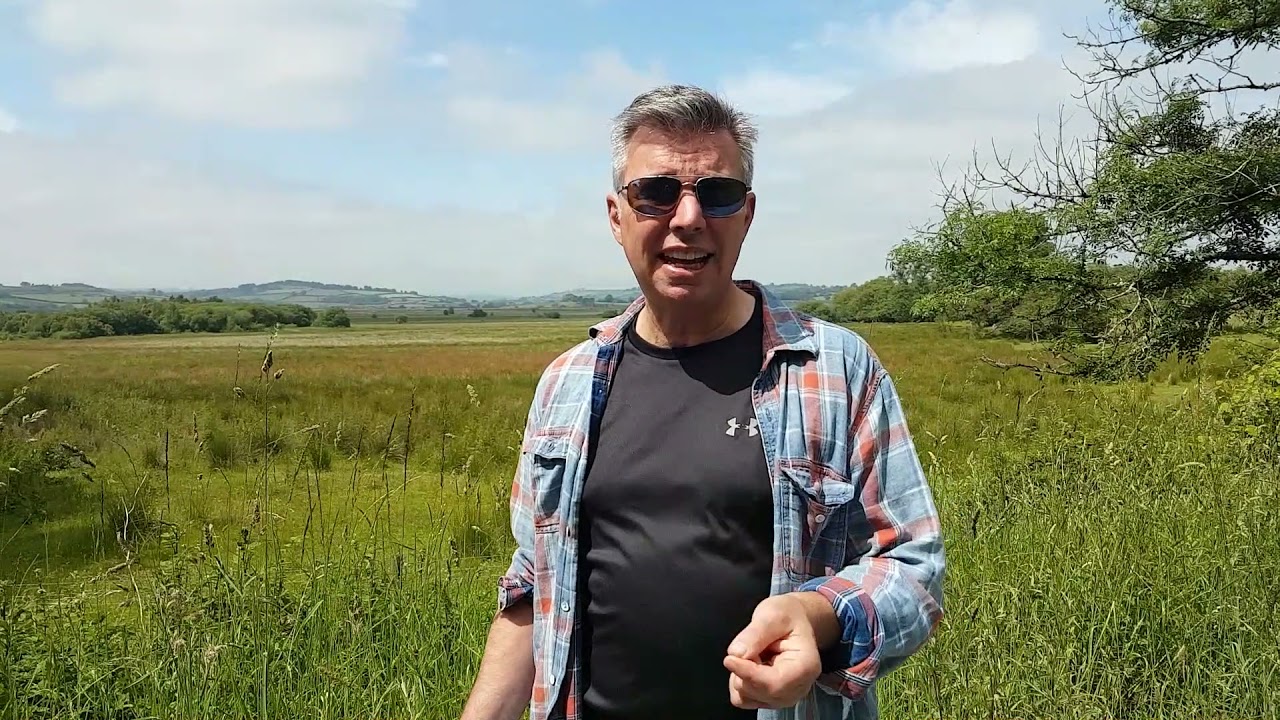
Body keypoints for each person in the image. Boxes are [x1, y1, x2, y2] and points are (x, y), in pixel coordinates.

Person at [459, 84, 945, 720]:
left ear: (746, 214)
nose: (687, 218)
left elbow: (913, 566)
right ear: (616, 215)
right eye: (656, 192)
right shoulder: (566, 385)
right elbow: (534, 585)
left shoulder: (838, 369)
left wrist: (815, 615)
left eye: (715, 195)